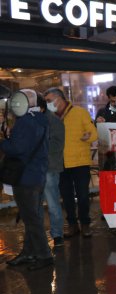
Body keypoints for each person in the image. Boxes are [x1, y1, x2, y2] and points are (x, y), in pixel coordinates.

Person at [3, 89, 52, 270]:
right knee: (32, 216)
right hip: (36, 175)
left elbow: (17, 149)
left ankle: (44, 255)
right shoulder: (40, 119)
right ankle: (29, 252)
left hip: (26, 178)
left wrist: (3, 140)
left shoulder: (24, 122)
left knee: (32, 219)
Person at [45, 87, 97, 238]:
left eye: (49, 100)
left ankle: (85, 224)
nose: (47, 103)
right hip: (60, 163)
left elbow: (93, 132)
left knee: (82, 195)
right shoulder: (49, 117)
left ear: (58, 98)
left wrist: (89, 136)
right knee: (66, 196)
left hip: (80, 161)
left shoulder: (79, 112)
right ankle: (72, 225)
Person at [33, 90, 66, 247]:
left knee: (52, 204)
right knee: (36, 205)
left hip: (49, 168)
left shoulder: (53, 121)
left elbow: (57, 145)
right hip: (36, 168)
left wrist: (37, 148)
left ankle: (57, 234)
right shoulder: (33, 120)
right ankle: (38, 237)